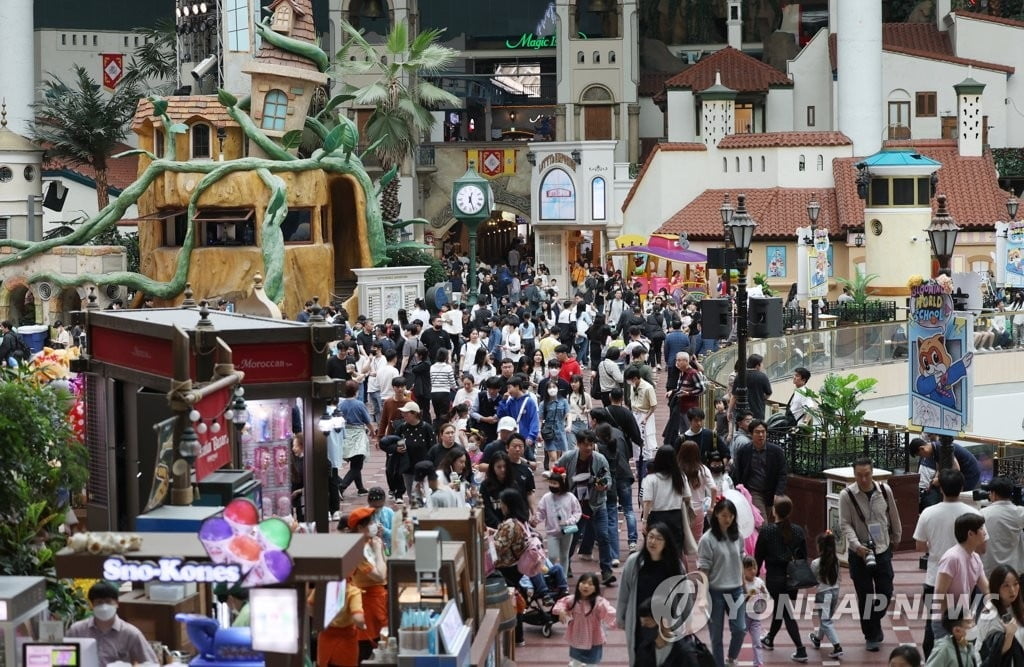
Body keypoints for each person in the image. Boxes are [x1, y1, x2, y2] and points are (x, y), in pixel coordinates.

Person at [838, 457, 902, 652]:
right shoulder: (846, 495)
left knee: (885, 590)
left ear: (872, 473)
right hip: (859, 553)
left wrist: (897, 537)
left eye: (867, 474)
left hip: (882, 548)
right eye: (859, 475)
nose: (863, 479)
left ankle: (873, 620)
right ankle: (871, 635)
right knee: (865, 595)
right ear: (854, 474)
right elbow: (845, 524)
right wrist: (857, 546)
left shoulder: (884, 490)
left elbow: (893, 515)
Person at [914, 469, 980, 656]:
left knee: (934, 621)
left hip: (935, 578)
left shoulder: (928, 513)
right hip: (966, 579)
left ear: (940, 488)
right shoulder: (972, 513)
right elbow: (982, 546)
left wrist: (935, 548)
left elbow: (919, 546)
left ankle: (932, 658)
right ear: (961, 487)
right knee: (964, 621)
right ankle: (962, 657)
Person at [616, 522, 684, 660]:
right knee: (639, 657)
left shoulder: (675, 566)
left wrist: (682, 624)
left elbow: (682, 598)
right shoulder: (634, 562)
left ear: (666, 543)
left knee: (663, 659)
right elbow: (624, 593)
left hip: (664, 624)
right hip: (640, 621)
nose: (653, 541)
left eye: (659, 539)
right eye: (651, 537)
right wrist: (621, 617)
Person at [558, 430, 616, 586]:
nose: (588, 448)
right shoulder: (569, 457)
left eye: (591, 444)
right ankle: (565, 565)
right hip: (575, 507)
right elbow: (556, 469)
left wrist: (603, 485)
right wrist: (560, 479)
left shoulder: (600, 459)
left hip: (597, 505)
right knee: (572, 538)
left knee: (603, 536)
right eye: (585, 444)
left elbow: (608, 480)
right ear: (578, 444)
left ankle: (606, 571)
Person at [754, 495, 809, 662]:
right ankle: (770, 638)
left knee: (785, 612)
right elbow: (803, 556)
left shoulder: (767, 531)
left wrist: (753, 580)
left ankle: (800, 649)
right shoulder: (798, 531)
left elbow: (758, 557)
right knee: (782, 608)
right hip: (793, 579)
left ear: (774, 511)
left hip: (775, 579)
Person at [697, 497, 747, 667]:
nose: (728, 519)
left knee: (740, 629)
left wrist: (746, 586)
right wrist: (702, 596)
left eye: (731, 516)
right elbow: (703, 570)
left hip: (736, 590)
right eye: (724, 515)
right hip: (714, 592)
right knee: (716, 637)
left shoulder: (738, 536)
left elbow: (740, 560)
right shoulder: (707, 540)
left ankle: (732, 658)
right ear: (716, 515)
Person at [66, 581, 159, 666]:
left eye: (108, 601)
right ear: (91, 605)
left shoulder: (130, 633)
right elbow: (63, 660)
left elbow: (151, 663)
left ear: (117, 603)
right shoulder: (76, 631)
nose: (104, 606)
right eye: (99, 602)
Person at [932, 513, 989, 649]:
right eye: (981, 528)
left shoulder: (975, 557)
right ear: (970, 534)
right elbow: (940, 592)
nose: (984, 532)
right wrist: (952, 621)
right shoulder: (952, 558)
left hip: (963, 621)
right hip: (945, 623)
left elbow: (987, 589)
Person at [492, 488, 537, 646]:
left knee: (511, 600)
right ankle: (519, 637)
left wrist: (487, 540)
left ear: (508, 505)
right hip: (516, 566)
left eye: (502, 503)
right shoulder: (520, 521)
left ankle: (517, 636)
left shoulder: (510, 524)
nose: (500, 506)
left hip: (506, 567)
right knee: (515, 598)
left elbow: (498, 547)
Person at [640, 445, 696, 558]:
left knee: (656, 550)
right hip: (676, 517)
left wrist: (644, 520)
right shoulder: (680, 476)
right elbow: (687, 497)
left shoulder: (651, 479)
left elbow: (647, 502)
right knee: (675, 550)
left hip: (657, 516)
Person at [552, 573, 617, 666]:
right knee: (576, 659)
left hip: (594, 638)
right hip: (577, 636)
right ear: (578, 585)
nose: (586, 586)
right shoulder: (573, 600)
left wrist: (622, 620)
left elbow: (610, 612)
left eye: (590, 584)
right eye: (583, 582)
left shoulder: (599, 603)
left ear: (595, 588)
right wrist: (561, 610)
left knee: (592, 662)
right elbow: (561, 603)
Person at [730, 419, 787, 522]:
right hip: (754, 491)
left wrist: (778, 493)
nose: (761, 435)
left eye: (763, 432)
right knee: (762, 523)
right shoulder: (744, 451)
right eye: (757, 432)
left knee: (769, 521)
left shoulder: (776, 451)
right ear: (751, 434)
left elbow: (782, 474)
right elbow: (738, 472)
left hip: (771, 492)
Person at [381, 402, 435, 503]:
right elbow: (391, 443)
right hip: (407, 467)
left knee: (427, 494)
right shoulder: (402, 428)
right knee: (412, 495)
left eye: (406, 413)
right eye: (403, 413)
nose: (403, 415)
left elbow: (432, 447)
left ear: (414, 414)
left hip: (423, 467)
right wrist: (396, 449)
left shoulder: (426, 428)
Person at [536, 469, 581, 579]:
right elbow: (540, 512)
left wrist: (569, 521)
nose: (552, 485)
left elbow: (577, 512)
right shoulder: (546, 497)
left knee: (564, 555)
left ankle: (563, 579)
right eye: (551, 483)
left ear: (562, 483)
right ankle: (549, 576)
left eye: (555, 483)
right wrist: (536, 520)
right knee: (552, 556)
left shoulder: (570, 497)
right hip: (552, 532)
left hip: (567, 531)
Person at [908, 437, 983, 503]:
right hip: (962, 471)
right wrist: (935, 479)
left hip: (970, 473)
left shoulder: (942, 448)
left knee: (958, 497)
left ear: (922, 448)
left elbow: (956, 470)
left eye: (920, 455)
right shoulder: (934, 449)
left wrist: (940, 480)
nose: (923, 457)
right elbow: (939, 467)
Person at [976, 564, 1024, 666]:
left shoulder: (1014, 606)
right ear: (996, 588)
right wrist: (1009, 634)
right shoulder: (989, 616)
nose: (1012, 590)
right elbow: (994, 656)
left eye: (1015, 584)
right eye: (1006, 585)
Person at [808, 531, 843, 658]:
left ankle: (837, 646)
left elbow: (811, 579)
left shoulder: (815, 563)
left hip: (823, 593)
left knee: (825, 620)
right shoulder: (836, 561)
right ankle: (817, 639)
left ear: (820, 547)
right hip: (835, 592)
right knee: (826, 618)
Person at [980, 476, 1024, 575]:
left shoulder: (982, 513)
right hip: (1012, 569)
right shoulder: (1019, 513)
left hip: (988, 569)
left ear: (994, 494)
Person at [335, 380, 372, 499]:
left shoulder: (341, 405)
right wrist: (372, 431)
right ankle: (341, 486)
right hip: (358, 434)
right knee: (357, 465)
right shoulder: (359, 404)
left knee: (355, 464)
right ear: (356, 391)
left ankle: (360, 488)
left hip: (345, 434)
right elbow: (367, 421)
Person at [677, 440, 716, 543]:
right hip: (698, 509)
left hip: (681, 508)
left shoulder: (677, 470)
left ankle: (683, 559)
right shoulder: (703, 469)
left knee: (681, 540)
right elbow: (714, 488)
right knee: (697, 539)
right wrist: (711, 506)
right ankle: (696, 559)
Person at [625, 367, 658, 486]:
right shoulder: (632, 386)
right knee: (635, 443)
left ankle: (646, 471)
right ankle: (639, 471)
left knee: (646, 445)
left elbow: (653, 406)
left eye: (630, 380)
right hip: (634, 414)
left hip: (645, 415)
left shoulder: (648, 388)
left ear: (635, 378)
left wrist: (646, 418)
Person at [742, 555, 769, 667]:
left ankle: (758, 663)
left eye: (754, 567)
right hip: (743, 617)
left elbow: (767, 597)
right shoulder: (742, 583)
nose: (753, 571)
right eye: (749, 569)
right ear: (743, 570)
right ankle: (731, 658)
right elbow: (738, 601)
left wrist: (763, 593)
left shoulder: (759, 581)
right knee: (738, 639)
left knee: (757, 642)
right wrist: (748, 595)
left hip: (755, 618)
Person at [429, 349, 458, 427]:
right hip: (444, 393)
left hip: (434, 393)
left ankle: (437, 431)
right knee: (444, 415)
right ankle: (443, 431)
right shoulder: (448, 367)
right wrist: (455, 387)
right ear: (446, 357)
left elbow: (431, 380)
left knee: (437, 415)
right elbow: (452, 382)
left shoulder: (432, 367)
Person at [744, 354, 773, 420]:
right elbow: (769, 392)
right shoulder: (763, 376)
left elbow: (734, 395)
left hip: (743, 411)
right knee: (757, 428)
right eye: (762, 363)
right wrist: (761, 399)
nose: (763, 365)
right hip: (758, 410)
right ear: (757, 365)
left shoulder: (740, 376)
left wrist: (729, 410)